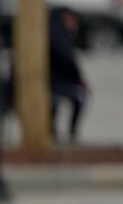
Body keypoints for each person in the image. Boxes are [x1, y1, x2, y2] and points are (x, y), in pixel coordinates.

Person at [49, 7, 90, 142]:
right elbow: (66, 59)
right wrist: (78, 78)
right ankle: (66, 131)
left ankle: (69, 132)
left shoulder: (59, 31)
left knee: (80, 95)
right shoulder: (56, 34)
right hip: (53, 82)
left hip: (60, 81)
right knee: (79, 96)